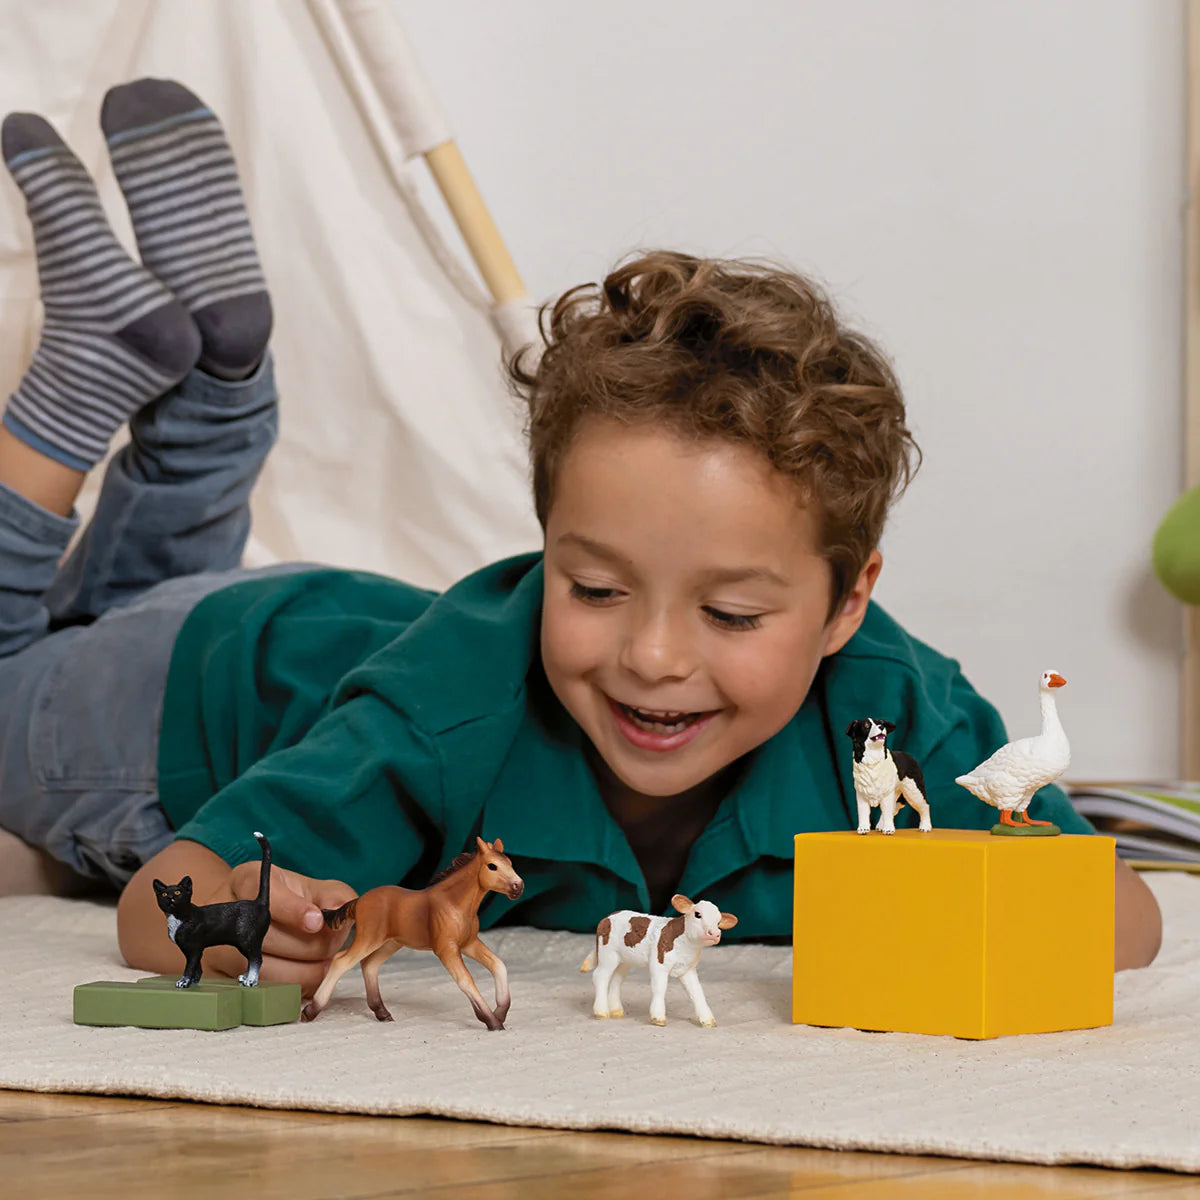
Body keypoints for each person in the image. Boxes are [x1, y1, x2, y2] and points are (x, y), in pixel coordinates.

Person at [0, 80, 1161, 995]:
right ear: (546, 545)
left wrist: (931, 899)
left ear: (847, 603)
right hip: (178, 701)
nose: (653, 656)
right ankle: (87, 388)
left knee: (114, 596)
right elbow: (170, 895)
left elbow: (1122, 912)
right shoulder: (449, 715)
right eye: (595, 588)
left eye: (732, 614)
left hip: (316, 623)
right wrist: (263, 924)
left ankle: (206, 389)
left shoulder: (890, 713)